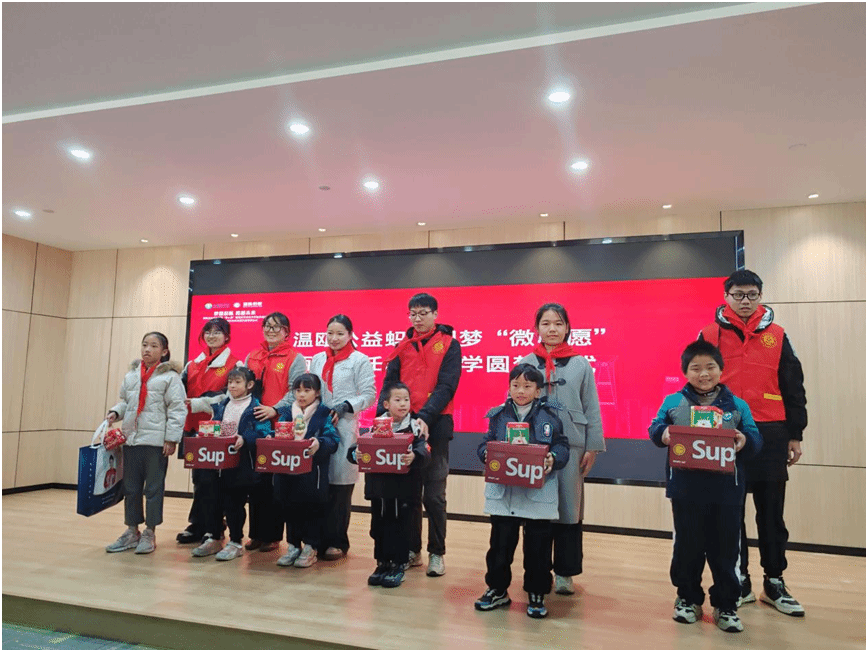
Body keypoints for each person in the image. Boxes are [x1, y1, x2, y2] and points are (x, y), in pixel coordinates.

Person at [699, 269, 808, 617]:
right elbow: (696, 383)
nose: (745, 301)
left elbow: (793, 386)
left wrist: (795, 434)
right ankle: (740, 580)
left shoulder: (778, 335)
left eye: (751, 295)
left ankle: (774, 582)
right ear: (726, 297)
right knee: (730, 512)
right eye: (738, 295)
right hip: (725, 433)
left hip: (771, 434)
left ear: (760, 296)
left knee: (771, 512)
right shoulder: (709, 334)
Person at [649, 340, 762, 633]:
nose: (703, 374)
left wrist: (744, 441)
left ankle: (726, 605)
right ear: (685, 372)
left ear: (721, 370)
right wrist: (663, 434)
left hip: (726, 493)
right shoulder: (673, 402)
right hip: (686, 490)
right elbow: (654, 428)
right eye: (695, 368)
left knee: (726, 551)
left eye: (710, 367)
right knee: (687, 548)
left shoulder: (737, 405)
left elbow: (755, 438)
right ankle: (688, 599)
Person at [519, 303, 605, 595]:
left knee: (569, 509)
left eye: (558, 323)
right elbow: (514, 400)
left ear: (568, 327)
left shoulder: (581, 364)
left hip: (574, 443)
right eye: (545, 323)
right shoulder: (526, 362)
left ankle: (566, 572)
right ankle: (538, 571)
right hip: (534, 445)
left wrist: (593, 447)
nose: (552, 329)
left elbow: (592, 406)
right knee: (537, 509)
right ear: (536, 328)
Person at [474, 364, 569, 619]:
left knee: (538, 549)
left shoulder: (550, 416)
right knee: (500, 546)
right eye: (515, 385)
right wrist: (486, 454)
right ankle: (497, 589)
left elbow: (562, 446)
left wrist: (553, 457)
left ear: (538, 391)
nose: (520, 391)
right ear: (508, 388)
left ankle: (537, 592)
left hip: (538, 493)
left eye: (527, 386)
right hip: (504, 493)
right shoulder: (498, 415)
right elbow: (485, 443)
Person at [379, 293, 461, 577]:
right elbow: (389, 384)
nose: (417, 318)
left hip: (436, 426)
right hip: (402, 427)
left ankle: (437, 552)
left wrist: (424, 417)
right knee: (409, 495)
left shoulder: (449, 344)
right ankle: (412, 550)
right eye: (413, 313)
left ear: (435, 314)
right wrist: (381, 416)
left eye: (423, 313)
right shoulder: (402, 345)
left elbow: (447, 386)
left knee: (434, 495)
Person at [104, 332, 187, 554]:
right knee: (130, 488)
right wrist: (115, 413)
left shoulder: (170, 377)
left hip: (156, 442)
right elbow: (126, 403)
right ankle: (132, 531)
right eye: (144, 345)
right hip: (131, 440)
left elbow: (177, 409)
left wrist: (171, 438)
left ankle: (150, 532)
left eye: (153, 346)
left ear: (164, 351)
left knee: (153, 489)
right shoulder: (132, 375)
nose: (147, 349)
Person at [348, 382, 430, 588]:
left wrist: (415, 455)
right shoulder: (375, 427)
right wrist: (356, 454)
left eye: (406, 400)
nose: (403, 404)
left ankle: (398, 565)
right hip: (379, 490)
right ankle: (382, 564)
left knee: (401, 526)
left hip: (404, 490)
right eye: (398, 400)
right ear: (386, 404)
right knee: (379, 526)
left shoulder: (415, 427)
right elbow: (357, 448)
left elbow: (425, 450)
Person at [309, 314, 376, 560]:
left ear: (350, 335)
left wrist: (345, 406)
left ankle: (337, 542)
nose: (334, 338)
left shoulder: (360, 360)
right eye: (330, 333)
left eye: (340, 333)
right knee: (318, 484)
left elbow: (369, 394)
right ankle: (315, 541)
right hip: (318, 426)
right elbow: (311, 390)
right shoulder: (318, 359)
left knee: (340, 487)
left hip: (345, 426)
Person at [188, 367, 273, 560]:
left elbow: (263, 433)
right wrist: (203, 435)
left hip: (241, 465)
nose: (232, 386)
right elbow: (214, 427)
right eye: (230, 382)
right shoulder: (221, 406)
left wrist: (244, 438)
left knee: (234, 503)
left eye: (237, 382)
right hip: (216, 462)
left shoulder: (256, 408)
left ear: (249, 385)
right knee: (211, 499)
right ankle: (214, 536)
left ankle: (235, 541)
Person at [243, 312, 307, 553]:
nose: (271, 331)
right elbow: (243, 387)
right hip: (254, 427)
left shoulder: (295, 358)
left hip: (281, 426)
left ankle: (272, 536)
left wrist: (275, 409)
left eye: (276, 327)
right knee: (255, 482)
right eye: (267, 326)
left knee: (275, 484)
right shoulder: (252, 356)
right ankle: (256, 534)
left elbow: (295, 391)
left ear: (286, 332)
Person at [177, 318, 241, 546]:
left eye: (217, 332)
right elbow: (179, 391)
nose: (212, 336)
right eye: (208, 332)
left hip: (216, 429)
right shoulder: (192, 364)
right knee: (198, 478)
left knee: (212, 479)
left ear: (227, 336)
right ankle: (199, 523)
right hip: (192, 427)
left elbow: (229, 396)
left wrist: (197, 403)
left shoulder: (235, 364)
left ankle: (213, 526)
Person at [273, 373, 339, 568]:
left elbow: (333, 440)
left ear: (317, 392)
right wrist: (270, 438)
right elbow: (276, 432)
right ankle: (293, 546)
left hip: (313, 473)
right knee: (290, 508)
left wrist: (319, 443)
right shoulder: (287, 412)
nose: (301, 395)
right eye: (298, 390)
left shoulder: (324, 413)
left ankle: (311, 547)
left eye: (307, 390)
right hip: (287, 470)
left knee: (312, 510)